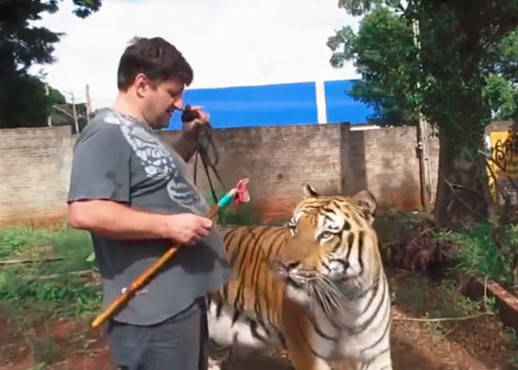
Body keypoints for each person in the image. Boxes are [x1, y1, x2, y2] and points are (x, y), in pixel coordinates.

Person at [67, 36, 230, 370]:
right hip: (151, 314)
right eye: (173, 92)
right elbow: (85, 210)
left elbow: (158, 179)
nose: (179, 103)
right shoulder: (105, 132)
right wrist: (169, 225)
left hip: (177, 303)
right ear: (142, 85)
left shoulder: (138, 132)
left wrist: (190, 135)